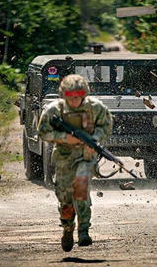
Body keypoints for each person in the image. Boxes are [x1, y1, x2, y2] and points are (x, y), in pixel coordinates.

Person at [37, 74, 112, 252]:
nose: (75, 101)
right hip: (63, 157)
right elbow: (42, 132)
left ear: (84, 95)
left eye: (78, 97)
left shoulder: (96, 108)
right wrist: (64, 138)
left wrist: (94, 140)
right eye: (70, 98)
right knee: (64, 197)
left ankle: (84, 230)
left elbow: (106, 126)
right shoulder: (54, 110)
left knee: (81, 189)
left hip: (86, 156)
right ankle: (67, 228)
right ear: (64, 96)